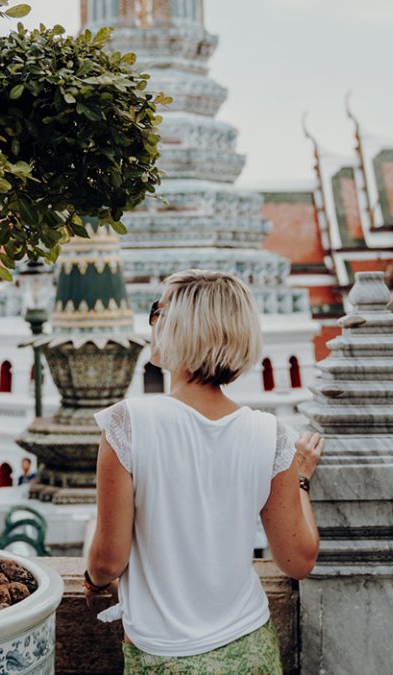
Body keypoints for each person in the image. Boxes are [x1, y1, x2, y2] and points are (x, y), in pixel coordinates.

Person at [85, 269, 323, 675]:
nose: (153, 323)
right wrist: (300, 478)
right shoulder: (271, 435)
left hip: (163, 655)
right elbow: (298, 561)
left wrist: (91, 583)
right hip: (250, 648)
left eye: (157, 311)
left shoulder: (128, 424)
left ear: (178, 326)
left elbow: (109, 560)